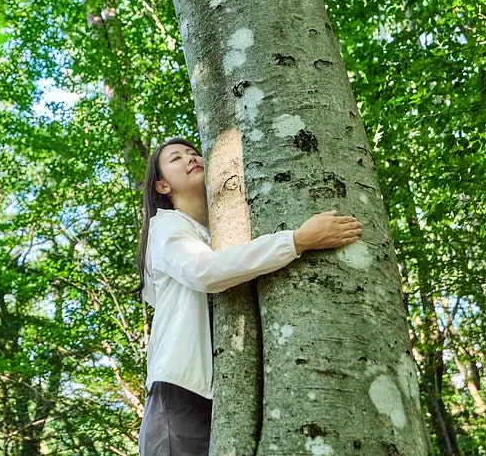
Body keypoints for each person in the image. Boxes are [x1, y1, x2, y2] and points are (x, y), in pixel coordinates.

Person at [136, 138, 363, 456]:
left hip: (220, 392)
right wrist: (297, 240)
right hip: (180, 391)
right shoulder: (166, 227)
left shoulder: (215, 234)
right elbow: (205, 271)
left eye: (193, 152)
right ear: (161, 185)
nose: (190, 157)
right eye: (176, 158)